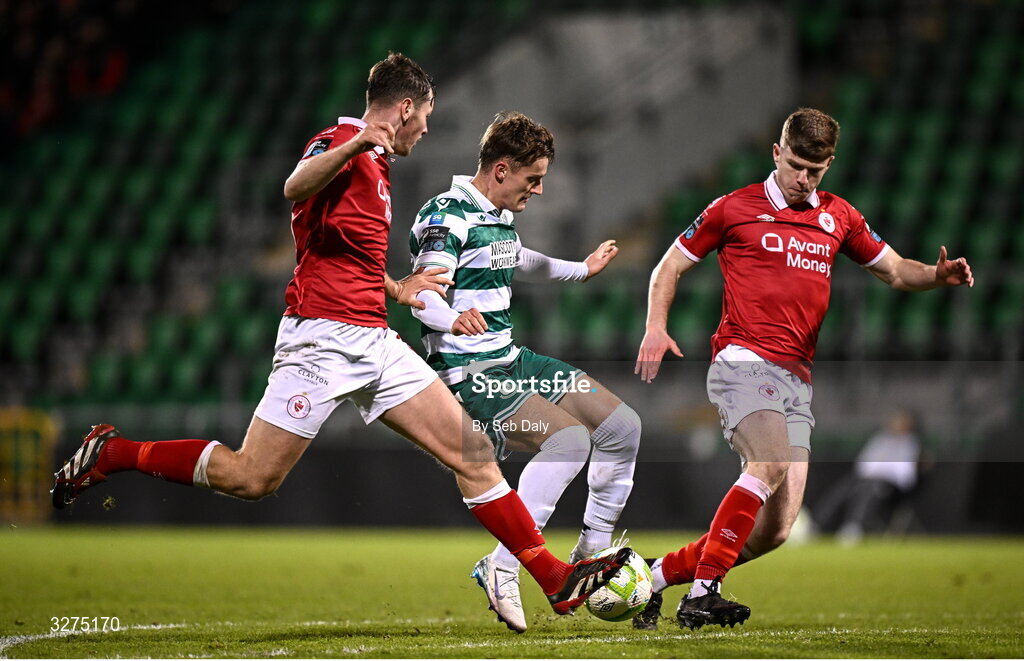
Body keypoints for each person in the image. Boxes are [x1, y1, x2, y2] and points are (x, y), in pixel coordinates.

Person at [52, 53, 630, 616]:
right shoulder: (343, 141)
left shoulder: (378, 168)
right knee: (252, 477)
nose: (425, 130)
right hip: (320, 339)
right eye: (424, 117)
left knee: (473, 454)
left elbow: (344, 252)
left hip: (373, 339)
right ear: (404, 108)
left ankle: (554, 580)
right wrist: (356, 143)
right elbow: (294, 186)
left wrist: (398, 289)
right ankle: (113, 452)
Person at [633, 107, 973, 631]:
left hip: (796, 381)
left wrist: (936, 274)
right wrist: (656, 326)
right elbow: (670, 264)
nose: (803, 179)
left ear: (829, 165)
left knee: (775, 531)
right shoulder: (734, 208)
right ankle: (703, 593)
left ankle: (651, 579)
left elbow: (897, 271)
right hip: (743, 360)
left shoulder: (839, 216)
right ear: (777, 152)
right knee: (765, 466)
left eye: (815, 171)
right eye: (795, 165)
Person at [407, 111, 642, 632]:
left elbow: (518, 257)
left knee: (623, 428)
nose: (538, 190)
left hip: (512, 359)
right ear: (501, 169)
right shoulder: (446, 215)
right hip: (469, 372)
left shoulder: (495, 214)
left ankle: (591, 549)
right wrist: (451, 317)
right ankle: (503, 564)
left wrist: (580, 268)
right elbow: (420, 294)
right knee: (570, 443)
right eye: (533, 179)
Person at [815, 409, 925, 543]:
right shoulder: (880, 440)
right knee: (844, 487)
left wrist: (881, 471)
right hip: (866, 481)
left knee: (872, 488)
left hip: (893, 489)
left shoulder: (910, 444)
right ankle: (817, 525)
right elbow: (863, 464)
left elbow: (905, 474)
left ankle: (854, 527)